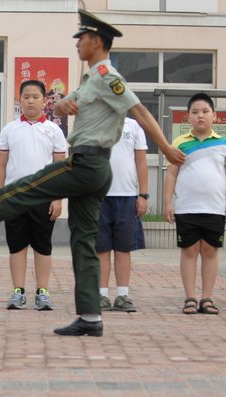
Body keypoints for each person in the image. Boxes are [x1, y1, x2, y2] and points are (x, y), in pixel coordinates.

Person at [0, 9, 186, 336]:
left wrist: (166, 148)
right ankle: (90, 317)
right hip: (93, 166)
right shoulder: (90, 79)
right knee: (84, 242)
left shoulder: (108, 75)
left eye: (82, 38)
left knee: (21, 189)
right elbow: (62, 105)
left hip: (87, 164)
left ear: (96, 41)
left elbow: (138, 109)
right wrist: (62, 106)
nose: (77, 44)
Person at [0, 79, 67, 310]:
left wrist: (57, 199)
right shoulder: (10, 129)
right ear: (20, 101)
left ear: (45, 101)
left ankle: (42, 291)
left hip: (43, 198)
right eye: (26, 97)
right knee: (17, 246)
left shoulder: (54, 130)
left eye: (36, 97)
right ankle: (18, 291)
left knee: (42, 245)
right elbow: (1, 166)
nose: (31, 101)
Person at [164, 93, 225, 315]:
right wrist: (167, 202)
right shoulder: (180, 143)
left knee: (210, 251)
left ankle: (207, 298)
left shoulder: (223, 143)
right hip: (186, 207)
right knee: (189, 251)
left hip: (215, 208)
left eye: (205, 112)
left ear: (215, 117)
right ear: (187, 117)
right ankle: (190, 297)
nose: (200, 116)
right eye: (195, 112)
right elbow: (171, 174)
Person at [96, 117, 148, 312]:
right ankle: (101, 296)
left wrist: (142, 194)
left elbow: (141, 162)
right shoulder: (93, 122)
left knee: (123, 248)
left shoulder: (134, 126)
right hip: (98, 196)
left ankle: (122, 295)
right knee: (101, 248)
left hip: (127, 197)